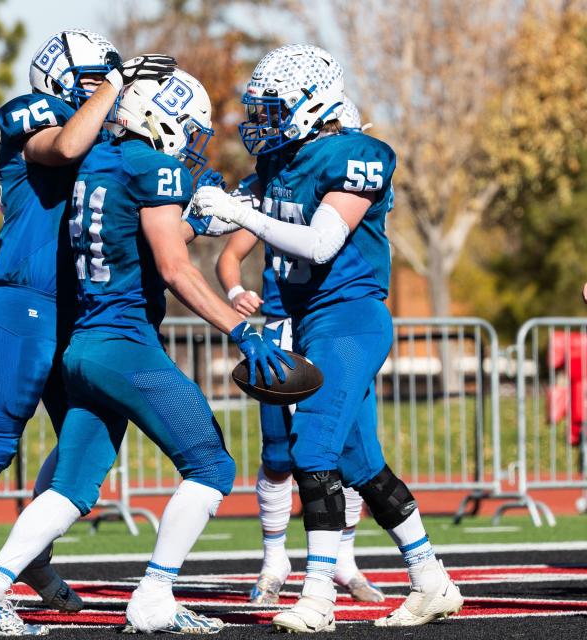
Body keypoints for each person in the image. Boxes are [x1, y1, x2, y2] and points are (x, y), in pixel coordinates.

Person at [0, 68, 291, 636]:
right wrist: (240, 328)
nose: (189, 137)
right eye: (186, 123)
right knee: (212, 467)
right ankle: (155, 595)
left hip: (83, 344)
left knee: (71, 486)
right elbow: (173, 270)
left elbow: (138, 235)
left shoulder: (98, 162)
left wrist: (191, 224)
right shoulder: (155, 167)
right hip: (126, 340)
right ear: (160, 115)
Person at [0, 28, 178, 633]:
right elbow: (68, 141)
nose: (104, 94)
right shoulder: (33, 119)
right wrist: (113, 84)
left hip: (80, 310)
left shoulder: (109, 143)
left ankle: (30, 554)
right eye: (91, 81)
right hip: (22, 302)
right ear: (61, 79)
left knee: (86, 443)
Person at [193, 44, 463, 631]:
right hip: (311, 320)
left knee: (312, 450)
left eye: (272, 109)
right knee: (361, 462)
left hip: (350, 318)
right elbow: (212, 220)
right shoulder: (279, 164)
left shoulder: (355, 154)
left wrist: (241, 216)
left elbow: (318, 243)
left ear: (313, 105)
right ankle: (432, 579)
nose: (259, 122)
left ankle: (317, 596)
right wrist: (188, 203)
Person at [214, 97, 384, 607]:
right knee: (279, 454)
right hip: (285, 324)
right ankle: (274, 561)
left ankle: (343, 562)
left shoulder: (341, 188)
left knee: (348, 448)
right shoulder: (277, 178)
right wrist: (232, 291)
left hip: (333, 325)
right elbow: (231, 250)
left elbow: (321, 244)